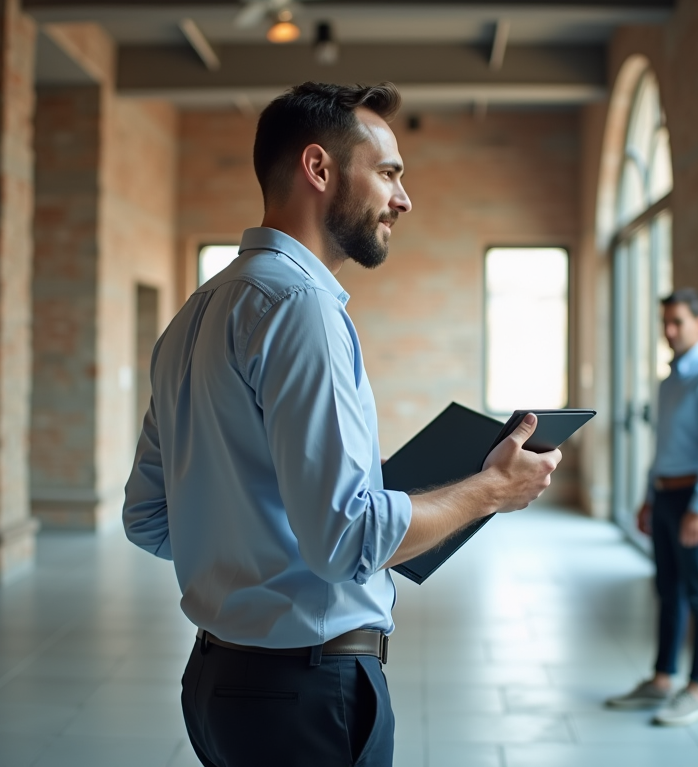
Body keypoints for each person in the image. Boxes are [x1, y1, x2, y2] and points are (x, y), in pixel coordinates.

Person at [122, 81, 562, 767]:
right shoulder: (303, 309)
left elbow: (147, 517)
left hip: (218, 687)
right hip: (305, 699)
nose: (403, 198)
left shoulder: (197, 313)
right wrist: (490, 490)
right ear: (319, 169)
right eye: (388, 173)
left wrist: (245, 548)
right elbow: (346, 538)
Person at [605, 287, 698, 726]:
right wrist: (649, 497)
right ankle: (662, 679)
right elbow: (663, 445)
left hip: (694, 499)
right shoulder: (671, 379)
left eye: (678, 322)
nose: (669, 331)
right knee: (668, 590)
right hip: (665, 495)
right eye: (665, 322)